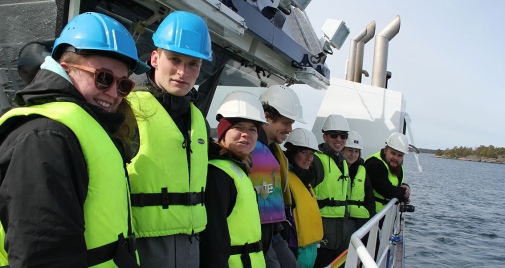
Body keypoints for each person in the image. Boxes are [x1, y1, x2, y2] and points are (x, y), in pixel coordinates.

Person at [0, 12, 149, 267]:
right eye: (103, 78)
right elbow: (44, 256)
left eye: (123, 85)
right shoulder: (45, 137)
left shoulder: (81, 129)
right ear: (66, 68)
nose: (114, 93)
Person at [125, 11, 213, 268]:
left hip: (191, 247)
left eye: (193, 64)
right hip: (140, 246)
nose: (182, 72)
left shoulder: (199, 122)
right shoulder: (126, 110)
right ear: (154, 58)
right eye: (174, 59)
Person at [200, 91, 267, 268]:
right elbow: (212, 238)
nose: (246, 134)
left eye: (252, 129)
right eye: (238, 127)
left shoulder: (237, 169)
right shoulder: (217, 173)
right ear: (223, 131)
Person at [251, 85, 304, 268]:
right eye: (286, 123)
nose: (290, 129)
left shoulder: (273, 151)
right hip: (259, 232)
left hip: (275, 230)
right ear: (266, 117)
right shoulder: (249, 149)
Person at [311, 114, 351, 268]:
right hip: (321, 229)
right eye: (334, 135)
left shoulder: (342, 161)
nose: (339, 139)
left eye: (343, 135)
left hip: (339, 231)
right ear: (325, 136)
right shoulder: (315, 160)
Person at [283, 128, 323, 268]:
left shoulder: (304, 179)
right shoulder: (286, 179)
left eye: (311, 154)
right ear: (293, 153)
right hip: (296, 248)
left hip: (310, 247)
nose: (309, 158)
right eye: (304, 153)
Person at [341, 131, 375, 245]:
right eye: (350, 150)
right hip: (342, 218)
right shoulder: (337, 168)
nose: (353, 154)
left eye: (356, 151)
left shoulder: (363, 170)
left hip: (360, 220)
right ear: (342, 150)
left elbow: (369, 198)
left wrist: (372, 220)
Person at [364, 132, 411, 213]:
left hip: (386, 215)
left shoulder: (396, 166)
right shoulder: (375, 164)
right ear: (385, 150)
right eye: (393, 153)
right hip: (372, 215)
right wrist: (404, 193)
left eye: (400, 155)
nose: (395, 158)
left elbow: (394, 184)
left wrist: (405, 186)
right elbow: (388, 190)